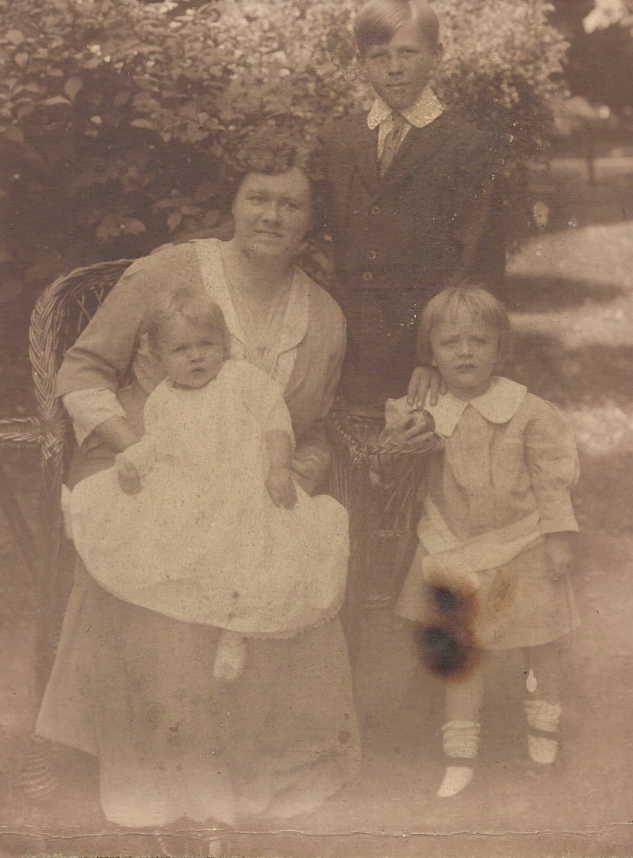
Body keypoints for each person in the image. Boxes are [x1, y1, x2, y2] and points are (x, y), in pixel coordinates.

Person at [35, 131, 360, 833]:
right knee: (170, 561)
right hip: (146, 462)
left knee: (293, 553)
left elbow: (311, 430)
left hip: (253, 485)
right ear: (234, 206)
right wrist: (139, 449)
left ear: (311, 221)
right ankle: (148, 769)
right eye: (257, 198)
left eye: (291, 204)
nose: (272, 215)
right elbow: (82, 371)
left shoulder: (325, 318)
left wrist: (293, 480)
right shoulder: (172, 273)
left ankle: (237, 772)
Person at [67, 289, 349, 683]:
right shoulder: (163, 399)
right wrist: (132, 464)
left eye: (206, 345)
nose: (196, 356)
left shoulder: (242, 379)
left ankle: (237, 631)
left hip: (246, 487)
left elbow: (275, 424)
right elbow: (156, 445)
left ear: (224, 346)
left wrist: (280, 469)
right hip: (190, 490)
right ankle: (187, 625)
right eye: (181, 349)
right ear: (161, 359)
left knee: (256, 555)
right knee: (173, 542)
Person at [394, 286, 580, 798]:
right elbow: (395, 442)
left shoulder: (528, 410)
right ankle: (461, 754)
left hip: (522, 544)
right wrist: (413, 416)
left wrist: (559, 536)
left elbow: (550, 478)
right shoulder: (429, 409)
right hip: (452, 546)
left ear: (501, 349)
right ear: (430, 354)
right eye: (450, 342)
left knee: (541, 643)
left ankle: (542, 735)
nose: (466, 352)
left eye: (479, 340)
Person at [320, 0, 505, 410]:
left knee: (423, 459)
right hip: (348, 345)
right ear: (362, 63)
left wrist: (434, 355)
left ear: (435, 55)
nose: (394, 67)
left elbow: (477, 260)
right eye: (379, 56)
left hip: (427, 351)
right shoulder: (338, 139)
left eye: (408, 53)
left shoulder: (467, 145)